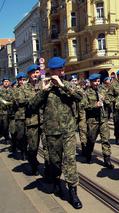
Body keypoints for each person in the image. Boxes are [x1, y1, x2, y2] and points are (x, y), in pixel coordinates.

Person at [28, 57, 83, 208]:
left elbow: (80, 97)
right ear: (51, 71)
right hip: (51, 132)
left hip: (68, 131)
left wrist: (62, 86)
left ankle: (73, 193)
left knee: (70, 161)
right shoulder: (43, 87)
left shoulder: (67, 85)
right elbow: (32, 106)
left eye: (62, 69)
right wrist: (43, 92)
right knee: (55, 162)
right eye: (58, 70)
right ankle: (57, 182)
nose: (62, 72)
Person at [84, 73, 114, 169]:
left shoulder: (102, 90)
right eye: (95, 81)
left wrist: (105, 100)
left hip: (103, 119)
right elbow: (84, 106)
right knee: (91, 139)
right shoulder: (86, 93)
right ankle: (88, 155)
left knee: (105, 139)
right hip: (93, 121)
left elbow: (109, 101)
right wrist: (94, 105)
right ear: (91, 82)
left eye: (98, 81)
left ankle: (107, 159)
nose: (97, 83)